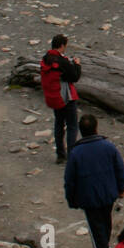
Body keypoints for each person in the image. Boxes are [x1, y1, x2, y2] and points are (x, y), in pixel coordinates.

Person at [64, 113, 124, 248]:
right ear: (96, 127)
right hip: (108, 193)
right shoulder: (108, 146)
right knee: (106, 222)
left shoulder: (76, 153)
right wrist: (121, 188)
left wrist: (71, 199)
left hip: (89, 197)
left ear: (81, 131)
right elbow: (120, 169)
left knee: (96, 227)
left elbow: (70, 180)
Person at [41, 34, 81, 164]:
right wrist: (77, 65)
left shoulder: (46, 59)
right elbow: (74, 77)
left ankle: (60, 154)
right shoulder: (62, 61)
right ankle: (71, 155)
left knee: (59, 124)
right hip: (66, 97)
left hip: (54, 97)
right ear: (62, 45)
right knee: (72, 126)